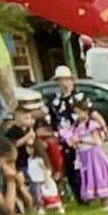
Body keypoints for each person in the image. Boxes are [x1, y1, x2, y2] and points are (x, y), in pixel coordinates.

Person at [65, 94, 108, 209]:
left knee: (99, 176)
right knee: (91, 178)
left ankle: (107, 200)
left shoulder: (91, 125)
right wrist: (71, 140)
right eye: (75, 112)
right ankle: (102, 200)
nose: (77, 115)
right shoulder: (76, 125)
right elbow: (72, 136)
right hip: (83, 155)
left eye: (79, 112)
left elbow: (96, 141)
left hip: (93, 155)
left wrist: (81, 140)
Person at [46, 64, 85, 205]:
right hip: (63, 138)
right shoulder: (55, 101)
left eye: (67, 80)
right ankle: (79, 196)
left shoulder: (80, 97)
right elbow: (52, 119)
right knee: (69, 167)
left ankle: (90, 193)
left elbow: (89, 114)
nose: (64, 83)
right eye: (61, 81)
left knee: (85, 166)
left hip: (80, 137)